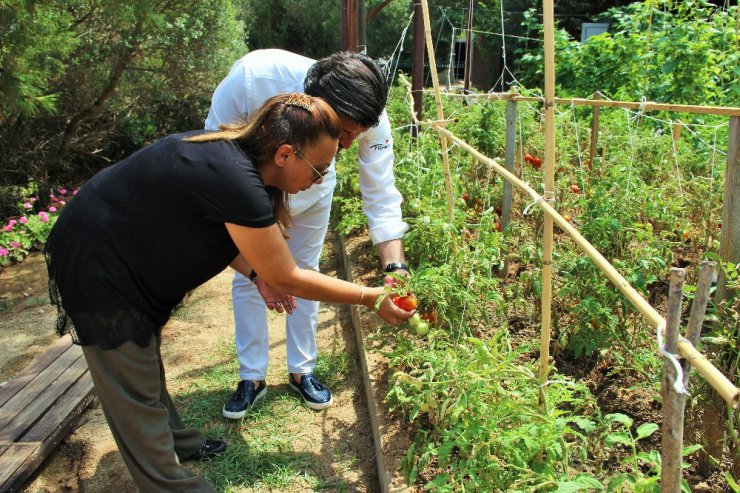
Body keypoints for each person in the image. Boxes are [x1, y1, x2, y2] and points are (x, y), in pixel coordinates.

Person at [44, 93, 414, 493]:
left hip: (120, 259)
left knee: (142, 363)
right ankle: (169, 484)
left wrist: (257, 274)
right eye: (319, 168)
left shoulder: (237, 160)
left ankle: (178, 442)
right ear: (286, 154)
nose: (320, 180)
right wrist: (369, 296)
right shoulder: (235, 179)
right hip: (97, 267)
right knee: (131, 385)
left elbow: (226, 238)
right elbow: (288, 275)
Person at [206, 49, 410, 417]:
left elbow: (380, 193)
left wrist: (394, 268)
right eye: (344, 132)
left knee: (306, 270)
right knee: (255, 276)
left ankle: (303, 371)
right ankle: (251, 376)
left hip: (314, 186)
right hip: (254, 183)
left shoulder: (368, 117)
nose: (348, 143)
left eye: (358, 133)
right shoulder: (253, 78)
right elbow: (215, 153)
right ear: (317, 106)